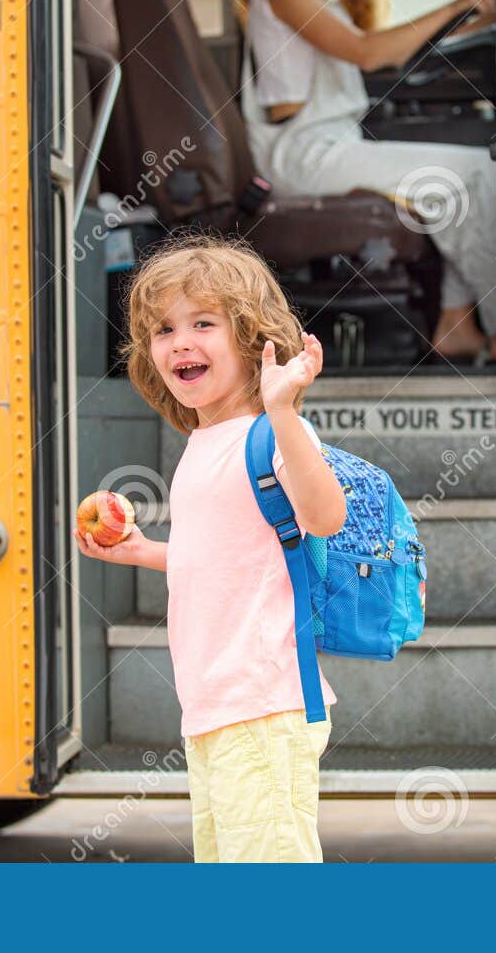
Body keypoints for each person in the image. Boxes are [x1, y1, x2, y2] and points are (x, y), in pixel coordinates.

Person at [75, 233, 345, 862]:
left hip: (262, 706)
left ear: (255, 340)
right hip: (213, 710)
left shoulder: (271, 433)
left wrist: (283, 413)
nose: (181, 341)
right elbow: (237, 561)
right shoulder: (204, 444)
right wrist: (147, 552)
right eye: (164, 329)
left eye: (203, 322)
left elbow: (325, 518)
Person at [231, 0, 496, 362]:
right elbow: (367, 51)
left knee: (456, 181)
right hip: (302, 153)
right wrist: (454, 4)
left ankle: (456, 323)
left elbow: (387, 51)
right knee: (475, 175)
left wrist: (465, 18)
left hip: (329, 144)